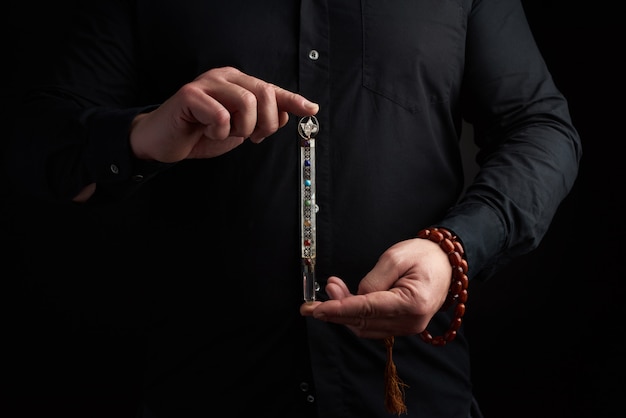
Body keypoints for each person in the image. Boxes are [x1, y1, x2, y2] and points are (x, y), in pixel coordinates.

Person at [2, 0, 582, 417]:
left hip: (408, 393)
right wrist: (139, 134)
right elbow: (38, 144)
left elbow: (541, 128)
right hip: (207, 388)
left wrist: (452, 249)